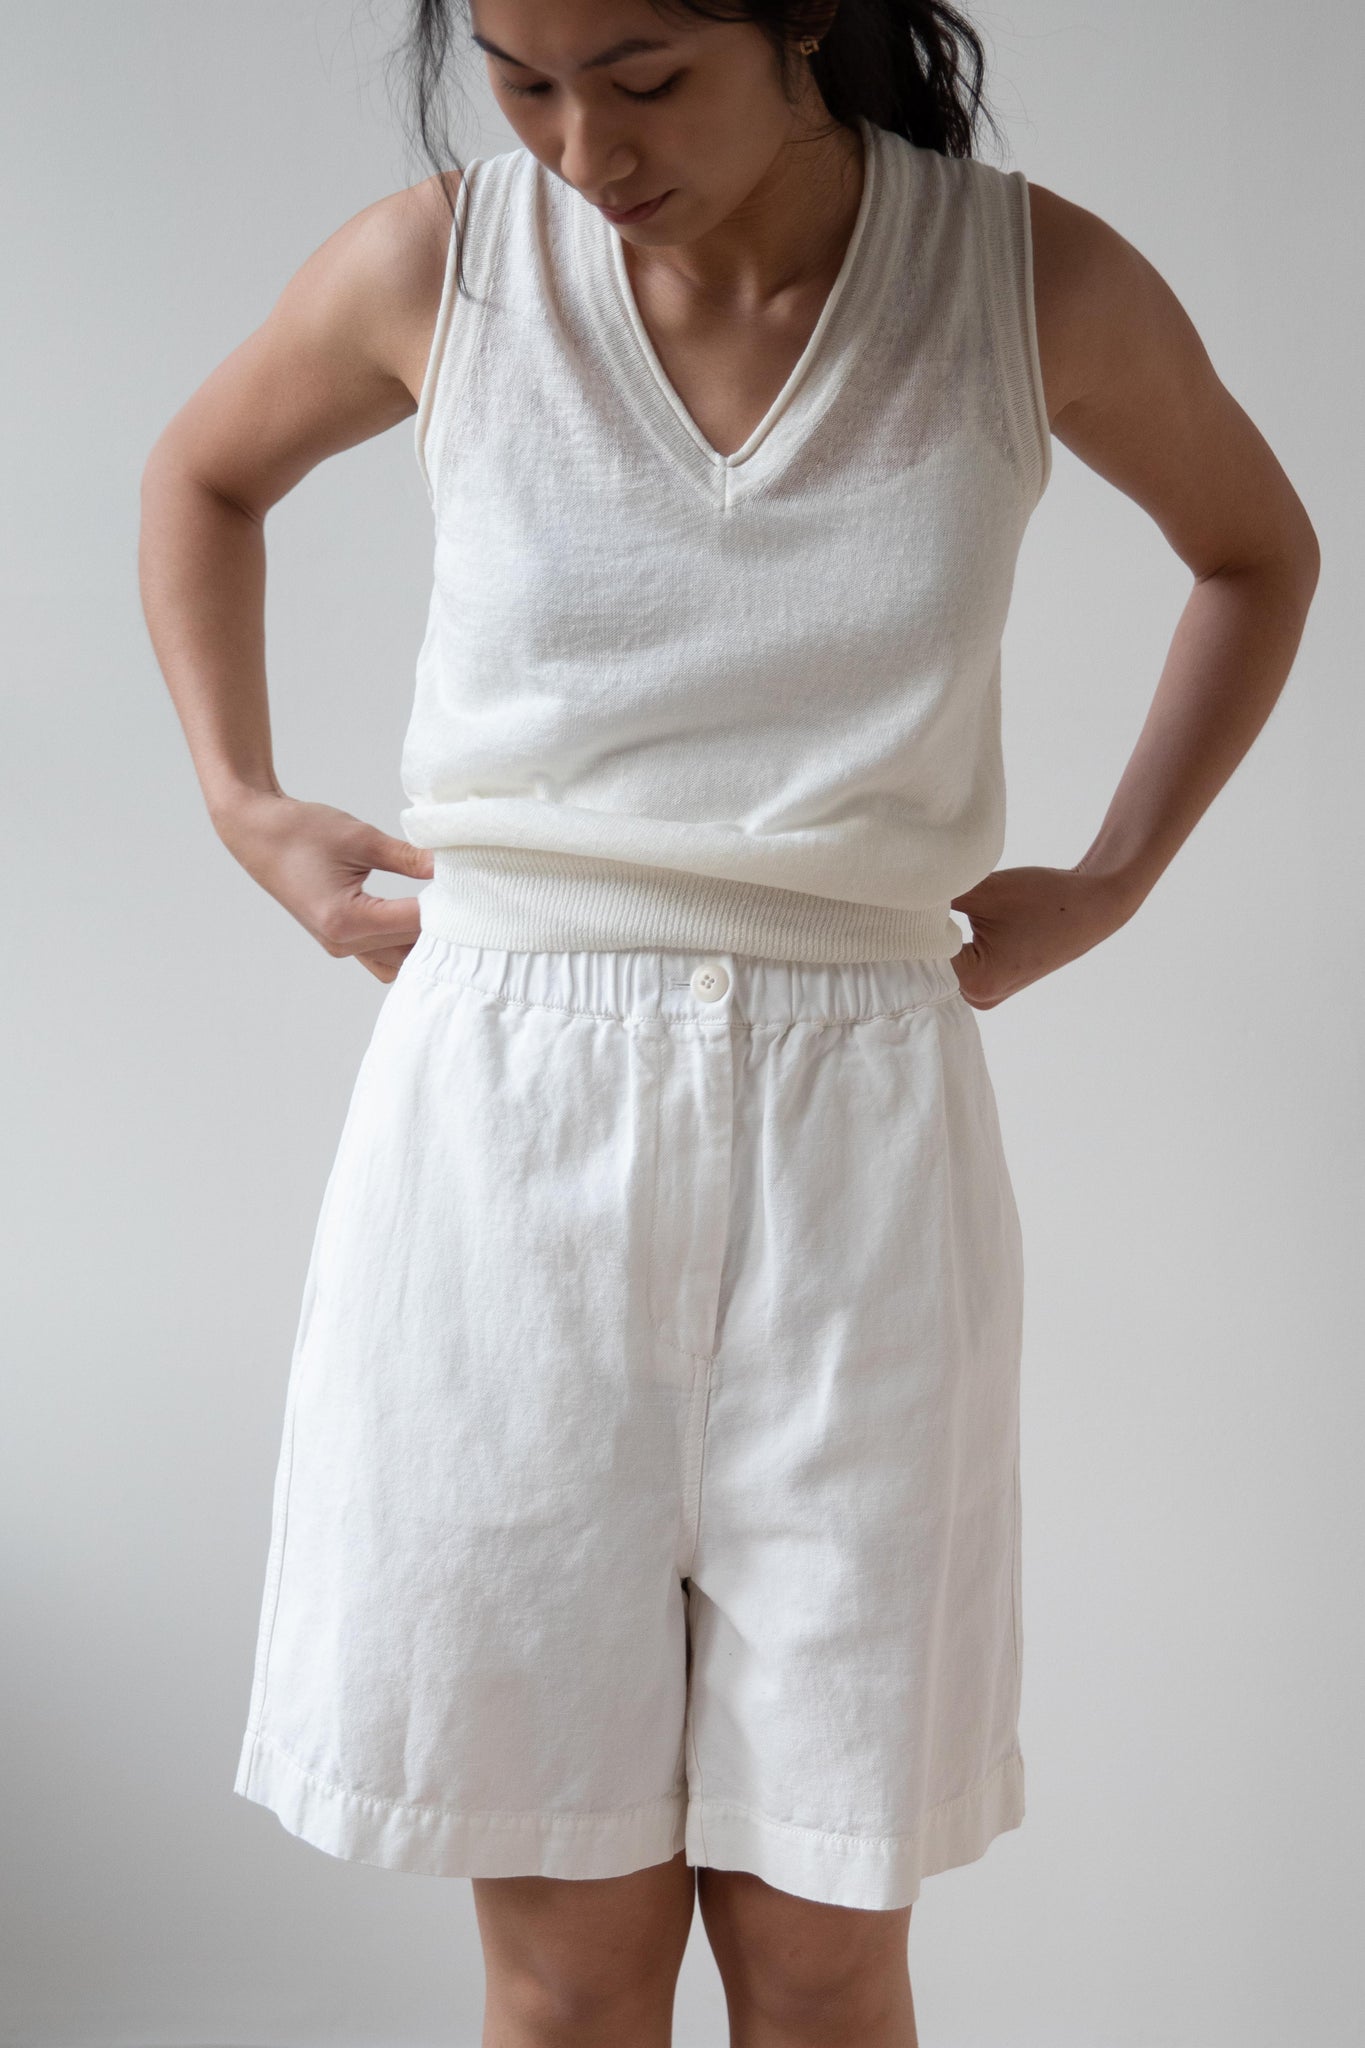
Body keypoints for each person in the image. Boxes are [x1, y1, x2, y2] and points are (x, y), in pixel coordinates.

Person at [138, 2, 1319, 2042]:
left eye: (644, 76)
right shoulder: (440, 268)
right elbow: (203, 473)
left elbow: (1251, 548)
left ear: (802, 22)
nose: (582, 147)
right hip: (505, 1131)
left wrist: (1115, 873)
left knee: (824, 1946)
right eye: (520, 79)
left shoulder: (1024, 284)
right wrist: (247, 806)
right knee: (565, 1962)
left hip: (862, 1132)